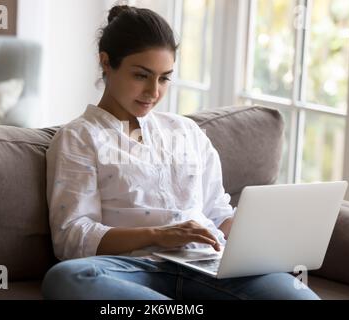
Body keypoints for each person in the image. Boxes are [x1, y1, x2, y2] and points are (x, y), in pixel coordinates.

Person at [41, 5, 320, 300]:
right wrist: (159, 235)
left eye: (164, 78)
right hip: (132, 268)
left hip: (206, 265)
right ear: (106, 63)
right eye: (141, 75)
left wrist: (264, 233)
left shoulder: (186, 132)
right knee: (68, 278)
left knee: (295, 294)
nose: (153, 91)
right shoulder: (79, 137)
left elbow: (217, 213)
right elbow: (72, 237)